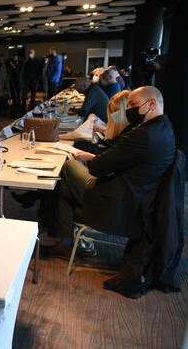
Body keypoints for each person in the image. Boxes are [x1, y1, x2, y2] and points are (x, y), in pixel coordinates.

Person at [43, 87, 175, 254]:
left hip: (118, 203)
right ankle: (66, 243)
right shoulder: (164, 129)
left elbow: (98, 168)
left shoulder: (143, 135)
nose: (128, 110)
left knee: (69, 165)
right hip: (137, 199)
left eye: (133, 104)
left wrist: (92, 158)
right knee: (62, 189)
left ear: (152, 104)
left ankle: (53, 227)